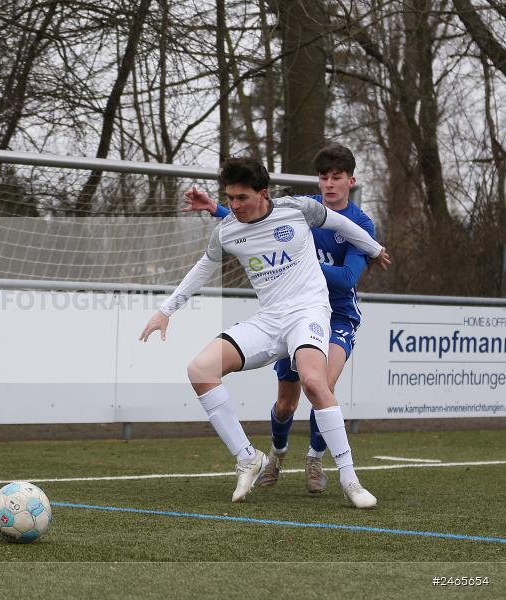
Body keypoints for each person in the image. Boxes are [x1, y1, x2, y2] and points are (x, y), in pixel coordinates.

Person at [139, 157, 389, 508]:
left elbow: (343, 225)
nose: (234, 205)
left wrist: (375, 249)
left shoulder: (298, 210)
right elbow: (202, 268)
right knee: (200, 370)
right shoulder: (227, 231)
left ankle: (350, 481)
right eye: (230, 198)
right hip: (270, 320)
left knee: (314, 382)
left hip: (308, 313)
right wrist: (165, 311)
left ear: (263, 193)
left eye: (241, 198)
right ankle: (247, 457)